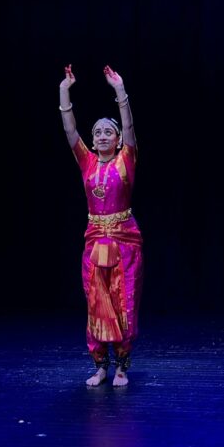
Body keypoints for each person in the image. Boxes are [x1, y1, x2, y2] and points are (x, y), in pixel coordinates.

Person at [59, 64, 143, 387]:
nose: (103, 135)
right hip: (95, 244)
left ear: (118, 139)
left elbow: (131, 128)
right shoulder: (87, 162)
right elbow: (69, 131)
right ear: (93, 143)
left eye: (109, 132)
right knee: (97, 304)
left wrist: (120, 92)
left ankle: (121, 366)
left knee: (124, 302)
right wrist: (65, 90)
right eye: (98, 133)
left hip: (124, 243)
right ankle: (100, 366)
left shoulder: (127, 160)